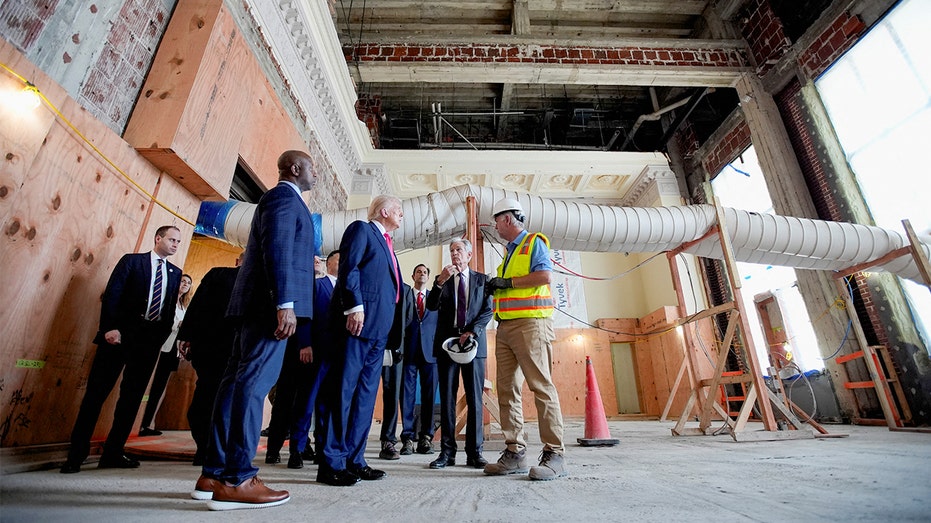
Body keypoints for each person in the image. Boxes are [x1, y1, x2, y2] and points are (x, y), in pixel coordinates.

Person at [193, 150, 317, 510]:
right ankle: (238, 478)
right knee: (251, 388)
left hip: (257, 308)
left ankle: (213, 473)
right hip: (268, 309)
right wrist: (285, 304)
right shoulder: (283, 198)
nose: (317, 175)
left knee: (234, 386)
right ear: (295, 169)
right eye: (313, 168)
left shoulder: (280, 200)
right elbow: (278, 251)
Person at [60, 225, 183, 473]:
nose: (175, 245)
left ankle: (114, 452)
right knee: (96, 395)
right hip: (119, 337)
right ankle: (76, 454)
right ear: (158, 238)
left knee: (131, 400)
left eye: (179, 242)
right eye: (172, 239)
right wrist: (110, 328)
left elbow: (169, 310)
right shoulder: (132, 262)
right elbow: (113, 294)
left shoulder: (175, 272)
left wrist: (158, 339)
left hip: (148, 343)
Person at [318, 195, 403, 487]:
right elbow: (349, 268)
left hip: (379, 332)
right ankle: (331, 462)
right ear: (383, 211)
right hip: (357, 325)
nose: (402, 215)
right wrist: (354, 307)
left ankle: (354, 459)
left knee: (365, 398)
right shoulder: (362, 230)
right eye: (399, 210)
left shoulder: (390, 244)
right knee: (343, 392)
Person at [483, 198, 568, 481]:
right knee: (507, 390)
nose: (494, 226)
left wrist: (506, 283)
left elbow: (544, 275)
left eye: (496, 220)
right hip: (505, 328)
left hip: (531, 325)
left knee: (541, 386)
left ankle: (555, 454)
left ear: (508, 219)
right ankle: (515, 452)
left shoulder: (533, 243)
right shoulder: (510, 252)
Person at [264, 250, 339, 469]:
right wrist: (305, 343)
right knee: (304, 403)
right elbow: (305, 316)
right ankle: (295, 449)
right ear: (330, 263)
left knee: (327, 405)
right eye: (340, 258)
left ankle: (323, 448)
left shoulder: (347, 289)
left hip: (334, 356)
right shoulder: (317, 285)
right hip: (311, 353)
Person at [426, 240, 493, 469]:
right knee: (446, 398)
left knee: (475, 398)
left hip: (473, 344)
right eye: (451, 251)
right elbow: (431, 306)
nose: (455, 254)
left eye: (459, 250)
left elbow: (487, 310)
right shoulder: (443, 280)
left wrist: (472, 331)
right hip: (448, 344)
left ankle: (475, 453)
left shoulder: (482, 280)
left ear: (469, 254)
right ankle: (447, 453)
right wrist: (439, 281)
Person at [177, 255, 242, 466]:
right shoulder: (218, 274)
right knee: (207, 398)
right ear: (237, 261)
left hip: (232, 351)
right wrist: (186, 336)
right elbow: (197, 306)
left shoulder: (259, 278)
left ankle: (211, 449)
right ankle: (207, 448)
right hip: (215, 349)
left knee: (213, 398)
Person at [139, 273, 193, 437]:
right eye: (183, 281)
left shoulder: (184, 307)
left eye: (188, 283)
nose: (185, 284)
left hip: (172, 349)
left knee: (160, 386)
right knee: (147, 383)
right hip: (158, 345)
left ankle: (149, 421)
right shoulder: (166, 301)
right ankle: (139, 422)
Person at [398, 264, 439, 456]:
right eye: (419, 271)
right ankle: (407, 437)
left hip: (430, 353)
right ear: (413, 275)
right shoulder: (406, 296)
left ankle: (426, 437)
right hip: (409, 353)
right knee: (407, 395)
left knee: (429, 396)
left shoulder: (435, 297)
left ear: (428, 277)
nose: (422, 274)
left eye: (425, 272)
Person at [378, 280, 413, 460]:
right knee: (360, 393)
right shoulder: (371, 281)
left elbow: (407, 318)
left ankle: (388, 440)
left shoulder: (405, 289)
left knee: (392, 394)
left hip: (394, 348)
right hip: (370, 343)